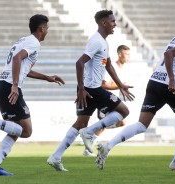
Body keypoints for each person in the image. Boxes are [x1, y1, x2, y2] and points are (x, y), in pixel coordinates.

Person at [96, 21, 175, 173]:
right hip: (168, 85)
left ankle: (107, 146)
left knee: (142, 125)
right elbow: (168, 55)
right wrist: (171, 81)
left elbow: (174, 64)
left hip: (154, 82)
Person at [0, 14, 65, 176]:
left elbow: (23, 68)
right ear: (42, 29)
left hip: (0, 85)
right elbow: (17, 59)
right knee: (27, 131)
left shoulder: (22, 40)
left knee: (15, 131)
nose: (47, 31)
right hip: (9, 87)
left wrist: (47, 78)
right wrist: (15, 85)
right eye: (47, 28)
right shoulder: (34, 43)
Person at [47, 10, 134, 171]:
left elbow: (108, 66)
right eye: (112, 21)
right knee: (123, 111)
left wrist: (120, 85)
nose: (115, 24)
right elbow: (79, 63)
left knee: (80, 123)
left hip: (88, 88)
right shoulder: (96, 41)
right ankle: (90, 132)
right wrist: (81, 88)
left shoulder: (104, 42)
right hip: (91, 88)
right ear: (104, 23)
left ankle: (55, 157)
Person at [83, 45, 131, 157]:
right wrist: (120, 86)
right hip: (105, 99)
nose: (129, 56)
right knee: (111, 123)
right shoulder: (111, 66)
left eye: (129, 54)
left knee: (118, 123)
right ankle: (89, 139)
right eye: (127, 54)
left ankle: (89, 141)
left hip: (114, 101)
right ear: (120, 54)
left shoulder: (123, 69)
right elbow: (103, 85)